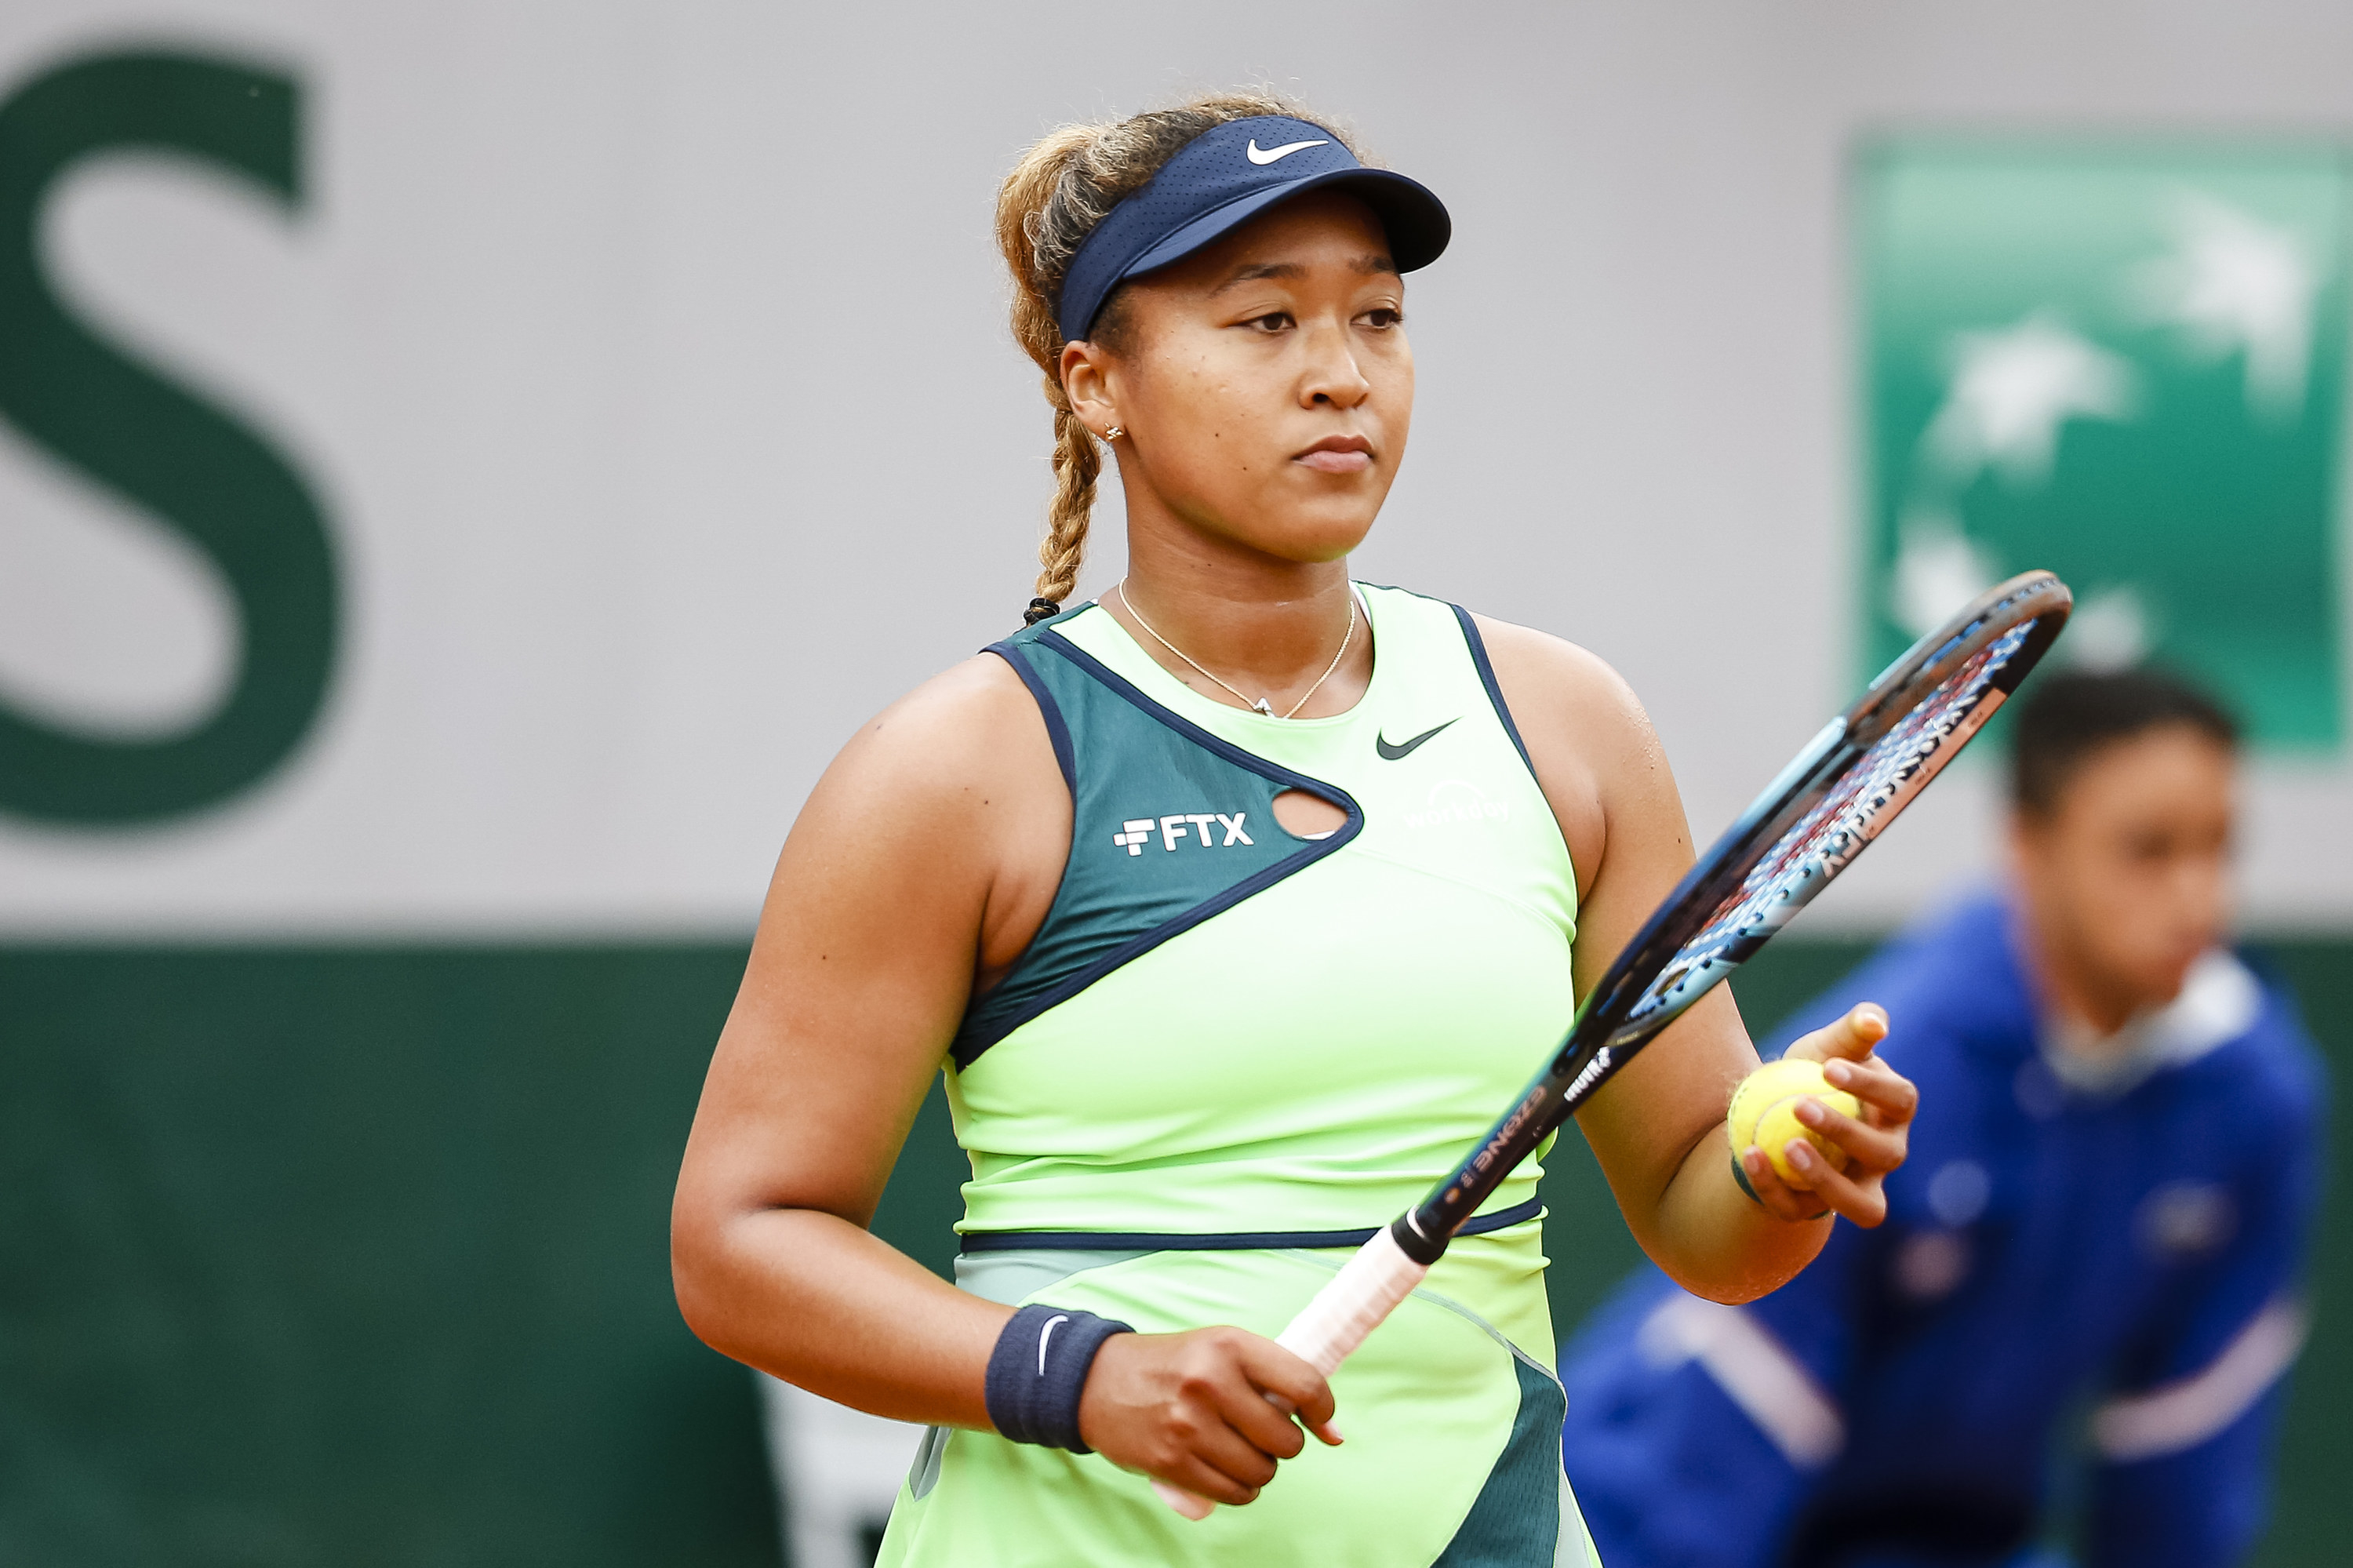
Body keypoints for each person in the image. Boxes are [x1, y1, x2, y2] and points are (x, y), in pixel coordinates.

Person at [669, 93, 1918, 1567]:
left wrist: (1783, 1164)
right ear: (1096, 384)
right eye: (1266, 324)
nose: (1342, 376)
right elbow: (740, 1242)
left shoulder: (1564, 725)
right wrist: (1087, 1375)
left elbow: (1707, 1229)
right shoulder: (961, 766)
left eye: (1378, 319)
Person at [1558, 668, 2326, 1568]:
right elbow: (1711, 1446)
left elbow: (2185, 1460)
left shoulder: (2257, 1099)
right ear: (2028, 845)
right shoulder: (1906, 1064)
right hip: (1644, 1522)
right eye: (2147, 851)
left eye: (2218, 847)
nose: (2197, 896)